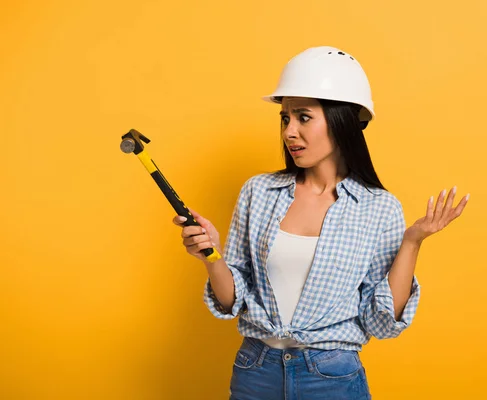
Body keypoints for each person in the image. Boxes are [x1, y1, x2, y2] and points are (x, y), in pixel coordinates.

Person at [173, 46, 469, 400]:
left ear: (341, 120)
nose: (289, 132)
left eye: (303, 117)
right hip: (256, 371)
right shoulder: (259, 192)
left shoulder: (379, 208)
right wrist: (211, 254)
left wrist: (412, 241)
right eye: (285, 118)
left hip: (331, 377)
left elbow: (382, 322)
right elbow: (232, 299)